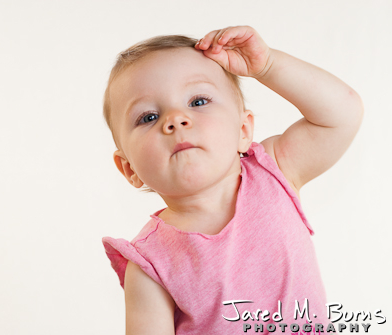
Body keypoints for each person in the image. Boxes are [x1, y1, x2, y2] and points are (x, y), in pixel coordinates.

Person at [101, 25, 364, 335]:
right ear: (129, 168)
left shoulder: (274, 171)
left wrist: (268, 66)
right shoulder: (149, 265)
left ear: (243, 130)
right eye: (148, 117)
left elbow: (342, 113)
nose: (175, 119)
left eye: (197, 101)